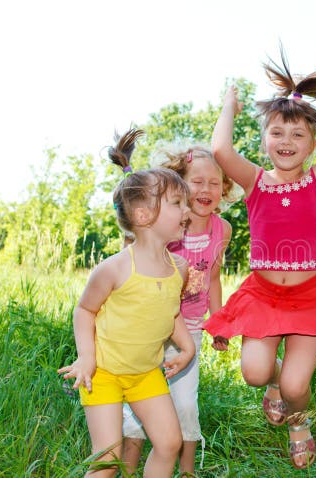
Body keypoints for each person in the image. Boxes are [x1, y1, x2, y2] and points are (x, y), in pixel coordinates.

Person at [202, 43, 316, 469]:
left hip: (311, 297)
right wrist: (229, 106)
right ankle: (272, 386)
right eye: (277, 132)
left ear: (312, 143)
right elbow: (221, 150)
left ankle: (299, 422)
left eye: (298, 134)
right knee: (257, 374)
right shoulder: (255, 182)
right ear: (264, 140)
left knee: (297, 386)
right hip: (263, 295)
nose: (287, 141)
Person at [58, 129, 196, 478]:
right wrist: (87, 357)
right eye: (178, 203)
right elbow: (84, 310)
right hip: (103, 374)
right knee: (107, 460)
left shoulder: (177, 267)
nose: (187, 211)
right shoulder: (115, 267)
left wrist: (186, 347)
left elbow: (170, 311)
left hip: (145, 374)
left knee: (169, 444)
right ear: (143, 214)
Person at [121, 145, 238, 477]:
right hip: (150, 328)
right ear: (179, 185)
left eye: (214, 183)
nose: (206, 190)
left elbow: (214, 278)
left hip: (191, 329)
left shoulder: (222, 230)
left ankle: (187, 471)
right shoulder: (165, 224)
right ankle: (129, 469)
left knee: (185, 403)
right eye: (196, 182)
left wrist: (219, 323)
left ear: (225, 187)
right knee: (138, 404)